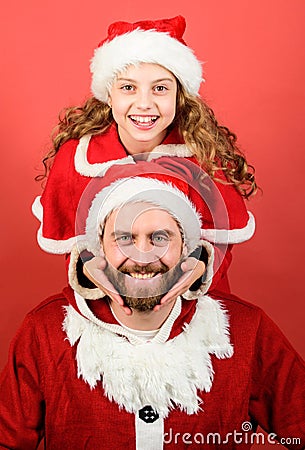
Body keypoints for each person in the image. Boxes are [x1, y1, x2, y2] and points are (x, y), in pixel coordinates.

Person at [1, 161, 304, 449]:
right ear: (98, 251)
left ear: (187, 250)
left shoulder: (246, 329)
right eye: (123, 238)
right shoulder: (45, 331)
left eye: (159, 238)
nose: (142, 256)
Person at [32, 15, 256, 307]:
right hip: (110, 305)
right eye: (128, 88)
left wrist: (200, 269)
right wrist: (87, 269)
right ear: (108, 96)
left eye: (160, 88)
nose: (144, 103)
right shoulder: (77, 160)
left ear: (179, 97)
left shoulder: (203, 157)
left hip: (193, 307)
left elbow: (220, 241)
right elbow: (72, 243)